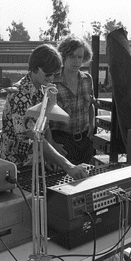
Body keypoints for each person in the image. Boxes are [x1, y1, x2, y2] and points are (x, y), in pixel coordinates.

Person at [0, 43, 88, 180]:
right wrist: (67, 165)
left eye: (55, 74)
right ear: (35, 68)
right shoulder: (20, 95)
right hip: (17, 166)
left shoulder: (42, 89)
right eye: (48, 74)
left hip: (36, 163)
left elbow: (45, 127)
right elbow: (34, 136)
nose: (52, 78)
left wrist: (49, 159)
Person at [49, 35, 96, 165]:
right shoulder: (53, 82)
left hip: (85, 140)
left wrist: (92, 125)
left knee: (86, 181)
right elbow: (44, 118)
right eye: (72, 56)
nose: (76, 61)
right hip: (62, 142)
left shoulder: (88, 79)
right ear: (63, 56)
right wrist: (52, 145)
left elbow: (91, 104)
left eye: (80, 57)